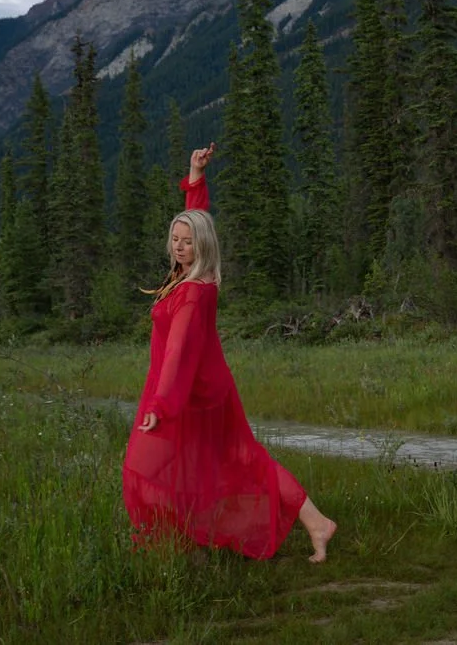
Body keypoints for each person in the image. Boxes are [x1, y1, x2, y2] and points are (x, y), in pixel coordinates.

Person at [122, 143, 337, 563]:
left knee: (146, 464)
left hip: (195, 392)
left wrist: (161, 404)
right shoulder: (192, 275)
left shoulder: (192, 292)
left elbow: (177, 351)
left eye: (187, 242)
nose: (179, 247)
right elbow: (197, 220)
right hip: (201, 386)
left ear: (201, 246)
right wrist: (196, 176)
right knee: (237, 457)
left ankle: (179, 542)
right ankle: (315, 523)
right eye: (175, 240)